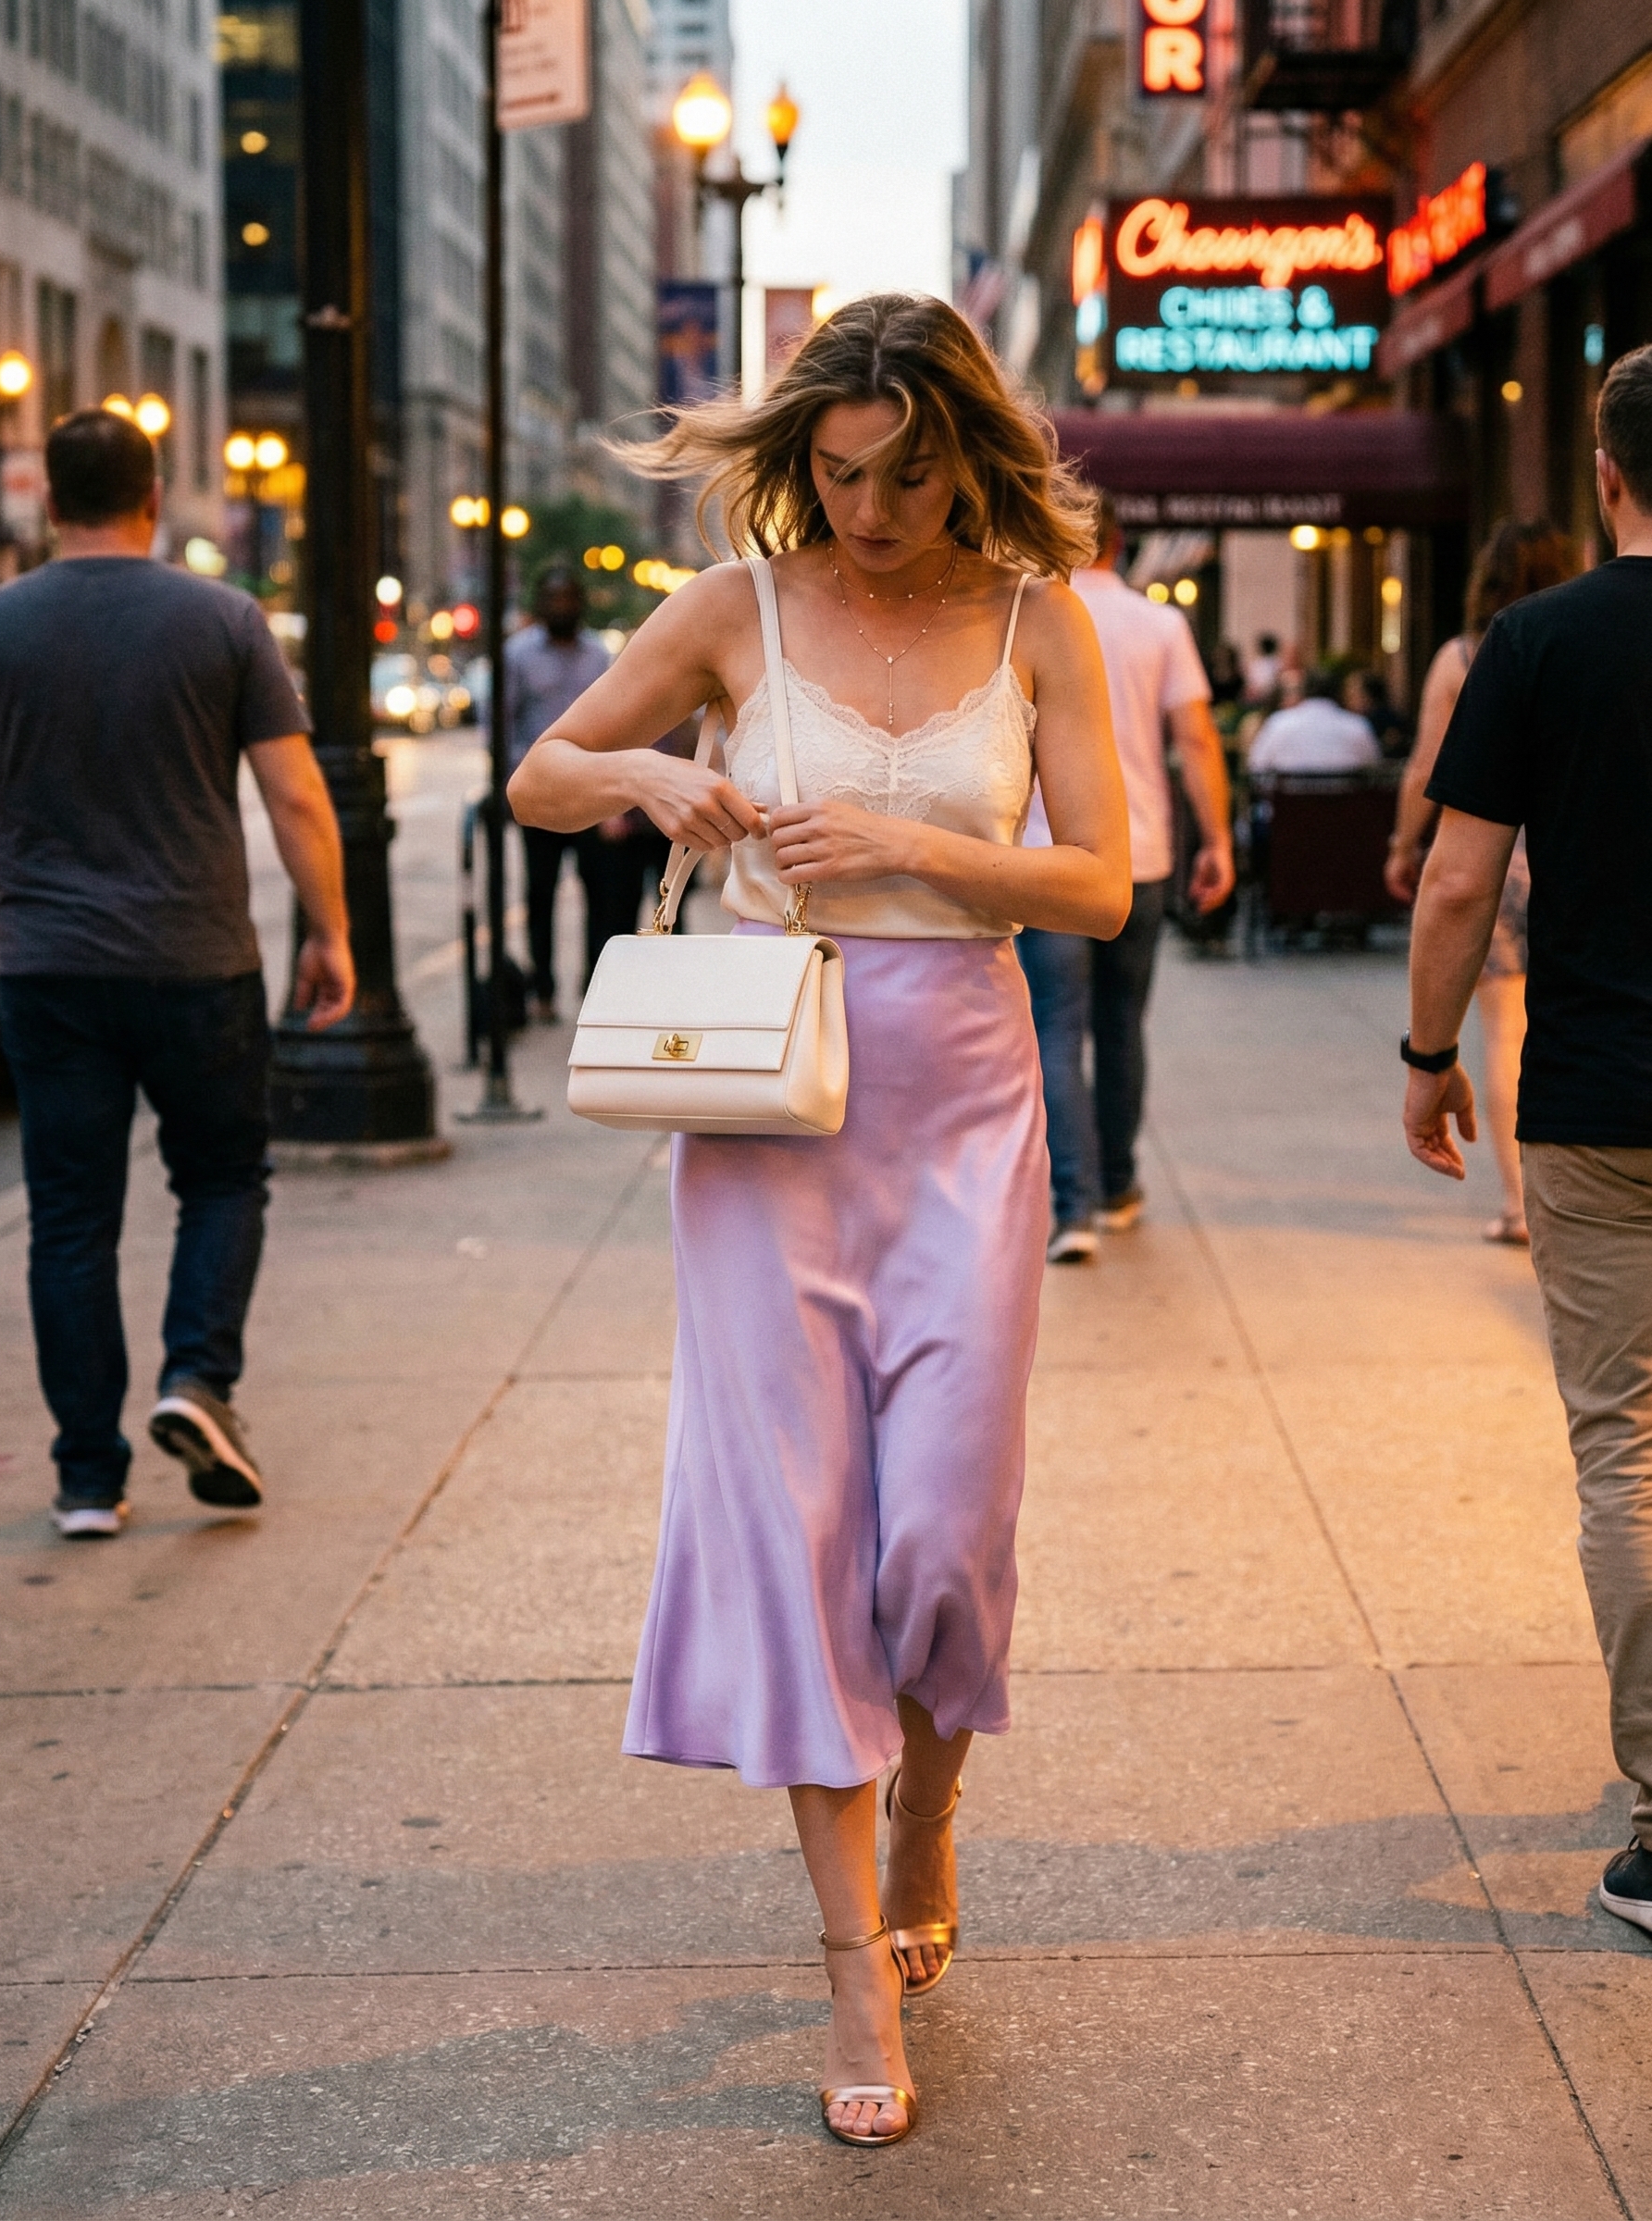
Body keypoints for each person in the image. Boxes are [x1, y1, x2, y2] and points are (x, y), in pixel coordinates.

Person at [508, 293, 1131, 2147]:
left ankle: (929, 1802)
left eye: (908, 477)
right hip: (765, 1104)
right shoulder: (733, 607)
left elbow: (1099, 884)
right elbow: (547, 773)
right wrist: (640, 774)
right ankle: (849, 1950)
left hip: (960, 1094)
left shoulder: (1039, 623)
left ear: (971, 457)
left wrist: (916, 849)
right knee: (791, 1526)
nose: (868, 512)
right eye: (841, 475)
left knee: (943, 1526)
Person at [0, 409, 354, 1537]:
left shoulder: (0, 625)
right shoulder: (223, 618)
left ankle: (88, 1478)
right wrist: (331, 932)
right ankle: (196, 1380)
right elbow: (295, 795)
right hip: (197, 958)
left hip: (45, 965)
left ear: (49, 501)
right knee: (220, 1179)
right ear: (155, 497)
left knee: (68, 1217)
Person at [1401, 344, 1652, 1943]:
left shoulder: (1535, 642)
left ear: (1604, 473)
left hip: (1593, 1100)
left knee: (1624, 1447)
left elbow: (1449, 882)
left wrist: (1429, 1059)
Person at [1020, 490, 1234, 1256]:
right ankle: (1117, 1186)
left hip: (1046, 863)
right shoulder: (1160, 623)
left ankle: (1071, 1206)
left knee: (1055, 1029)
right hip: (1139, 856)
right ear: (1118, 543)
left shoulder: (1028, 617)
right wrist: (1217, 840)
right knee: (1121, 1027)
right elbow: (1198, 740)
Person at [1385, 520, 1579, 1242]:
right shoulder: (1582, 640)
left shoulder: (1464, 656)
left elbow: (1426, 767)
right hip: (1566, 857)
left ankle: (1520, 1205)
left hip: (1495, 861)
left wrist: (1404, 846)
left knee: (1505, 1032)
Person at [503, 565, 613, 1017]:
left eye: (569, 597)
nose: (562, 605)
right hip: (542, 796)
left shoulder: (599, 655)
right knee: (540, 893)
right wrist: (515, 781)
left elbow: (614, 724)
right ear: (540, 603)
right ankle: (543, 990)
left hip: (591, 795)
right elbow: (502, 724)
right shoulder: (518, 655)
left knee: (600, 893)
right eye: (553, 597)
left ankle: (594, 989)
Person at [1247, 666, 1381, 772]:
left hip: (1289, 806)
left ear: (1304, 691)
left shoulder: (1279, 722)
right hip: (1344, 805)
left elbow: (1256, 767)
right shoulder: (1357, 725)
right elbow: (1372, 767)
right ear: (1338, 693)